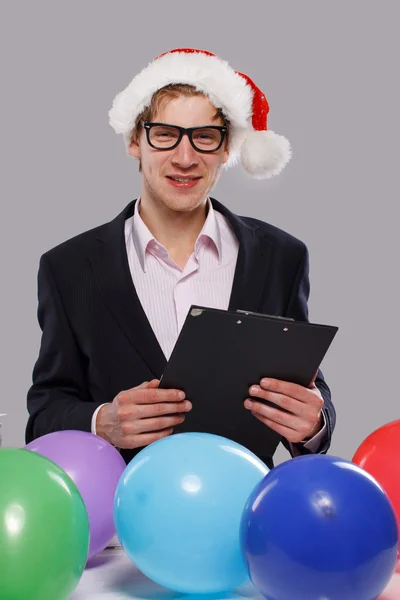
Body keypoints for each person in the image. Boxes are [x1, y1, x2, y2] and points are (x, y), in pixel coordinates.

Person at [26, 48, 335, 469]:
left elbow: (306, 385)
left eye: (205, 136)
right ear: (135, 140)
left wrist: (314, 422)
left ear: (226, 149)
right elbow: (45, 413)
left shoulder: (280, 257)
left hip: (243, 510)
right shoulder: (69, 267)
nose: (185, 157)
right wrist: (103, 421)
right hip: (126, 519)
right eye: (165, 134)